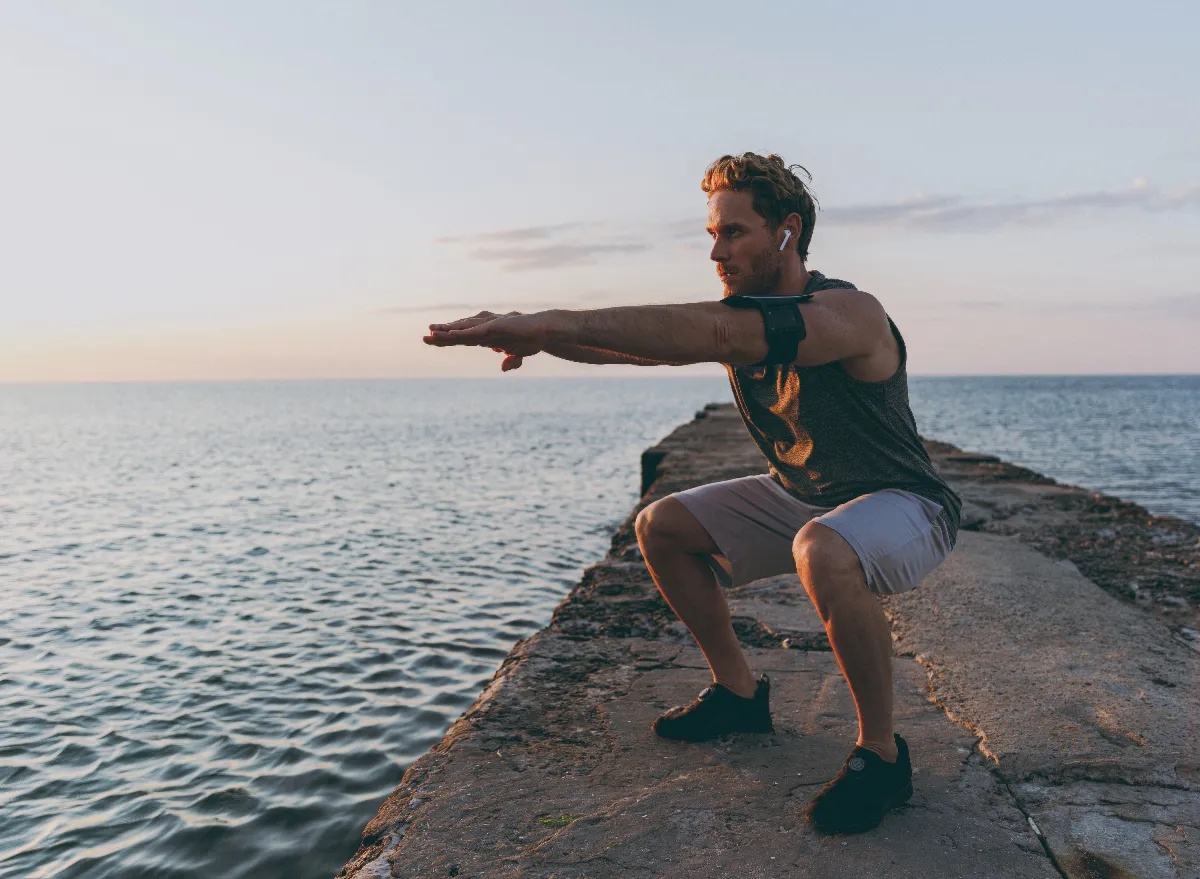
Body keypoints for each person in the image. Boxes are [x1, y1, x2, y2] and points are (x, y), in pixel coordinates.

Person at [422, 152, 961, 835]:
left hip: (908, 503)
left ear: (787, 231)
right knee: (662, 525)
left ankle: (883, 756)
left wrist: (555, 321)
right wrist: (541, 335)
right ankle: (739, 693)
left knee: (821, 548)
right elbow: (646, 348)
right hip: (802, 493)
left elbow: (717, 332)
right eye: (712, 233)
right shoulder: (740, 316)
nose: (715, 251)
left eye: (733, 232)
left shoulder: (849, 311)